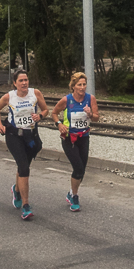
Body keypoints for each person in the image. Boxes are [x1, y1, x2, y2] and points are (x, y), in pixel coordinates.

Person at [0, 69, 49, 221]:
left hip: (31, 136)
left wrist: (40, 116)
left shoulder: (35, 93)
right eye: (21, 81)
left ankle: (16, 190)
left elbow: (46, 110)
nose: (24, 83)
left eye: (26, 80)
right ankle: (26, 206)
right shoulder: (9, 96)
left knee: (24, 167)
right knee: (24, 168)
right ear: (15, 83)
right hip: (14, 136)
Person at [53, 71, 99, 212]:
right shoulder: (66, 100)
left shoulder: (90, 99)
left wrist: (90, 114)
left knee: (82, 170)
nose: (82, 87)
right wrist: (59, 124)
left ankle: (71, 192)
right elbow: (54, 113)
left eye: (84, 84)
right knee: (78, 168)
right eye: (79, 84)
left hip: (84, 137)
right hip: (69, 138)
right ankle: (75, 196)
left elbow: (97, 118)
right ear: (73, 86)